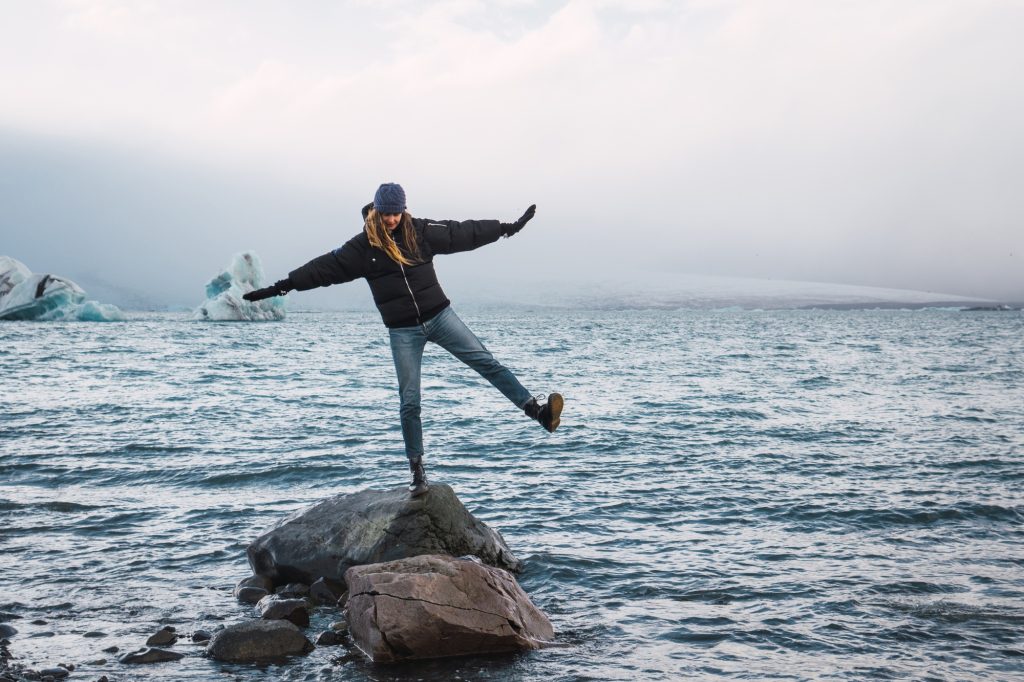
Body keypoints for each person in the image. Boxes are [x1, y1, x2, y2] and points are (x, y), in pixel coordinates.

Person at [244, 183, 563, 497]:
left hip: (440, 317)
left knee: (487, 363)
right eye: (387, 213)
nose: (393, 219)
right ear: (377, 210)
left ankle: (538, 412)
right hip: (403, 332)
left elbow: (462, 233)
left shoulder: (419, 231)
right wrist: (280, 287)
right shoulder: (362, 248)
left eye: (397, 213)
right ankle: (417, 472)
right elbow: (323, 268)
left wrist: (508, 228)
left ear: (403, 210)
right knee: (410, 402)